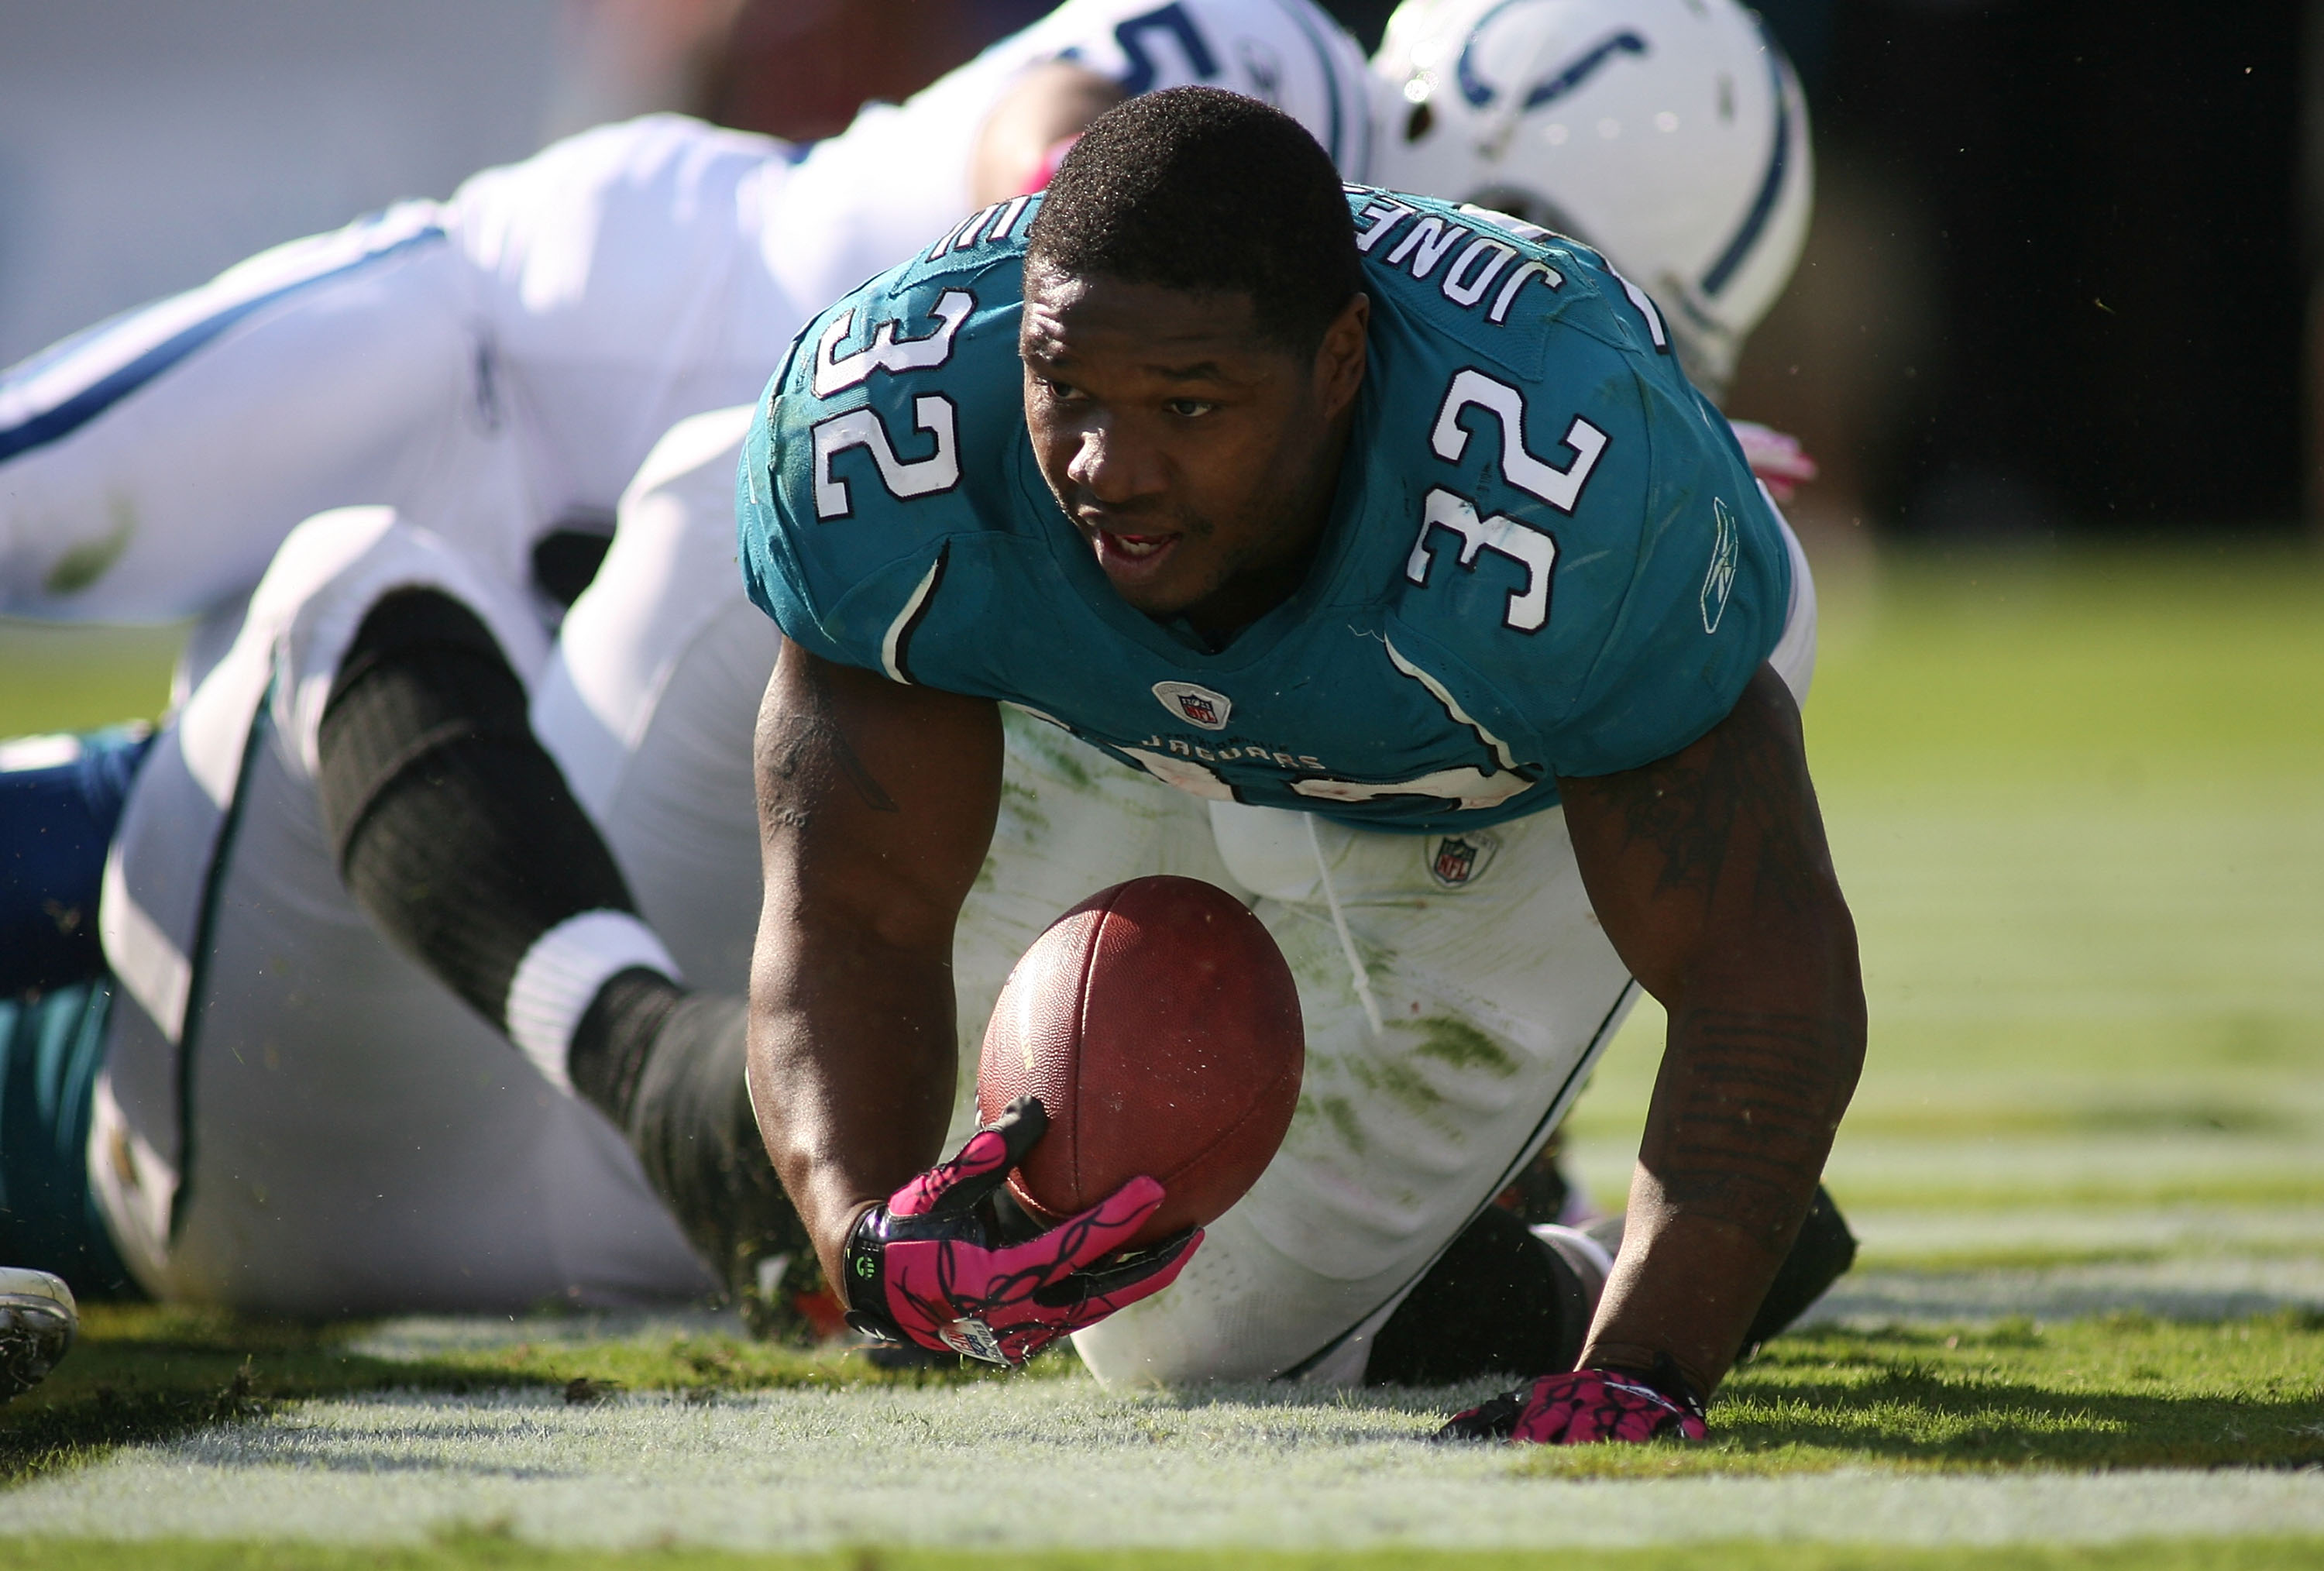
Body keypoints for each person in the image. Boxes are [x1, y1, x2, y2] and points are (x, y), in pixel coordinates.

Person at [734, 87, 1863, 1440]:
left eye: (1190, 405)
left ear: (1340, 364)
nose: (1109, 465)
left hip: (1496, 780)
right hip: (1141, 717)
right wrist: (866, 1240)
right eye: (1065, 388)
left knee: (1200, 1344)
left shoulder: (1563, 513)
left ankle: (1618, 1271)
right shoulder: (893, 433)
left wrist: (1650, 1368)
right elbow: (849, 911)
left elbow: (1763, 973)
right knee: (997, 1165)